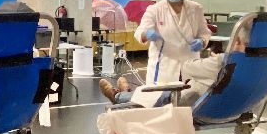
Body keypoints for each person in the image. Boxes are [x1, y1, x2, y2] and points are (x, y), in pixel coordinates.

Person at [100, 28, 248, 107]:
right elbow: (140, 32)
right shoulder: (255, 69)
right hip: (236, 107)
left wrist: (213, 59)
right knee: (155, 92)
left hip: (198, 104)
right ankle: (126, 92)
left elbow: (188, 67)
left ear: (239, 42)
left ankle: (118, 96)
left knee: (155, 94)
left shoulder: (221, 62)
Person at [135, 0, 212, 86]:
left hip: (190, 64)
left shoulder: (196, 9)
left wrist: (202, 41)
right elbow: (139, 31)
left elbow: (204, 32)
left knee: (189, 94)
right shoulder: (155, 9)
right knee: (162, 95)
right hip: (163, 68)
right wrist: (146, 34)